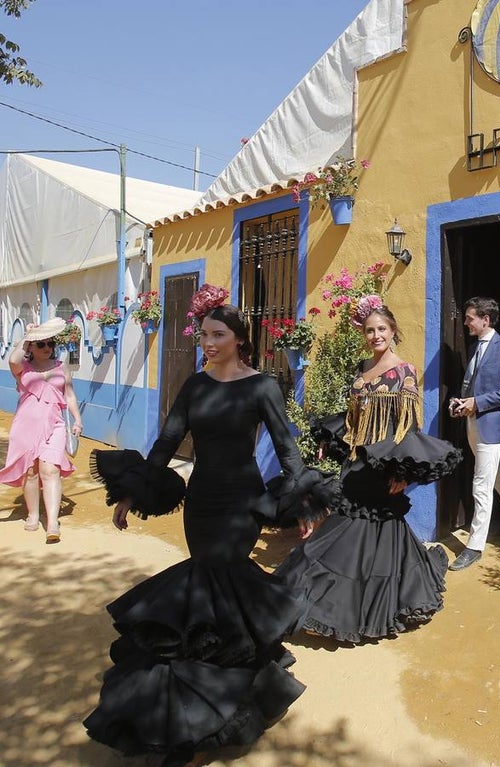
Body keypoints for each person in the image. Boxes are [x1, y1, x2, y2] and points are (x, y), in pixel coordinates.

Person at [84, 292, 315, 767]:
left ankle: (204, 715)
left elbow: (287, 448)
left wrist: (302, 503)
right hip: (202, 501)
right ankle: (188, 713)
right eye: (204, 334)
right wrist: (133, 491)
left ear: (239, 340)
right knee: (208, 595)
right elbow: (166, 443)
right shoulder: (194, 386)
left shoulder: (262, 387)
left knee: (217, 584)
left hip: (243, 503)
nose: (207, 342)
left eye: (218, 335)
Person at [274, 296, 461, 642]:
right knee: (351, 531)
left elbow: (408, 427)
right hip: (357, 463)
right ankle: (333, 603)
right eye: (370, 330)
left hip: (384, 467)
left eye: (381, 329)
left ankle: (358, 606)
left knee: (371, 534)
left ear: (393, 332)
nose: (375, 335)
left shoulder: (403, 372)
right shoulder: (362, 369)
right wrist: (332, 441)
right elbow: (353, 420)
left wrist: (402, 473)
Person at [447, 296, 500, 571]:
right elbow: (471, 385)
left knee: (481, 484)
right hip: (471, 423)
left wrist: (477, 403)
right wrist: (460, 401)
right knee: (495, 474)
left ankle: (474, 546)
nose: (466, 322)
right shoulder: (474, 347)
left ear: (485, 320)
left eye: (469, 318)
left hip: (491, 426)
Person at [0, 317, 83, 544]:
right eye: (42, 344)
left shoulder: (61, 366)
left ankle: (53, 522)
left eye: (50, 344)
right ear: (32, 348)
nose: (47, 348)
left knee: (50, 470)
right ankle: (33, 513)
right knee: (30, 472)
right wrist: (28, 336)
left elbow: (69, 394)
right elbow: (14, 358)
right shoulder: (21, 368)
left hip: (55, 424)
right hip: (26, 425)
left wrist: (77, 419)